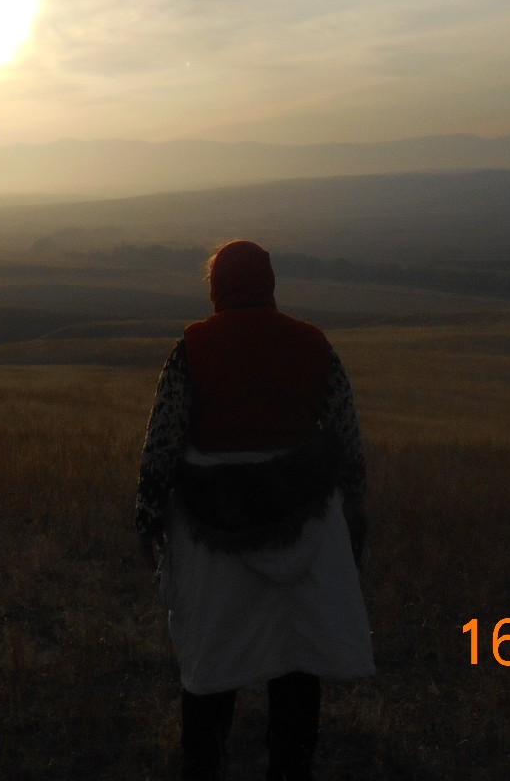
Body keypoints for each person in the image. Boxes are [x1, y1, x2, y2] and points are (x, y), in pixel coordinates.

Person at [135, 239, 374, 781]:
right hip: (306, 521)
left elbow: (163, 440)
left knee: (212, 667)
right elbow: (346, 435)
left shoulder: (193, 346)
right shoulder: (313, 344)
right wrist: (354, 503)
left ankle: (206, 765)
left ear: (218, 287)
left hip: (211, 530)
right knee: (296, 665)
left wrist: (147, 514)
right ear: (269, 284)